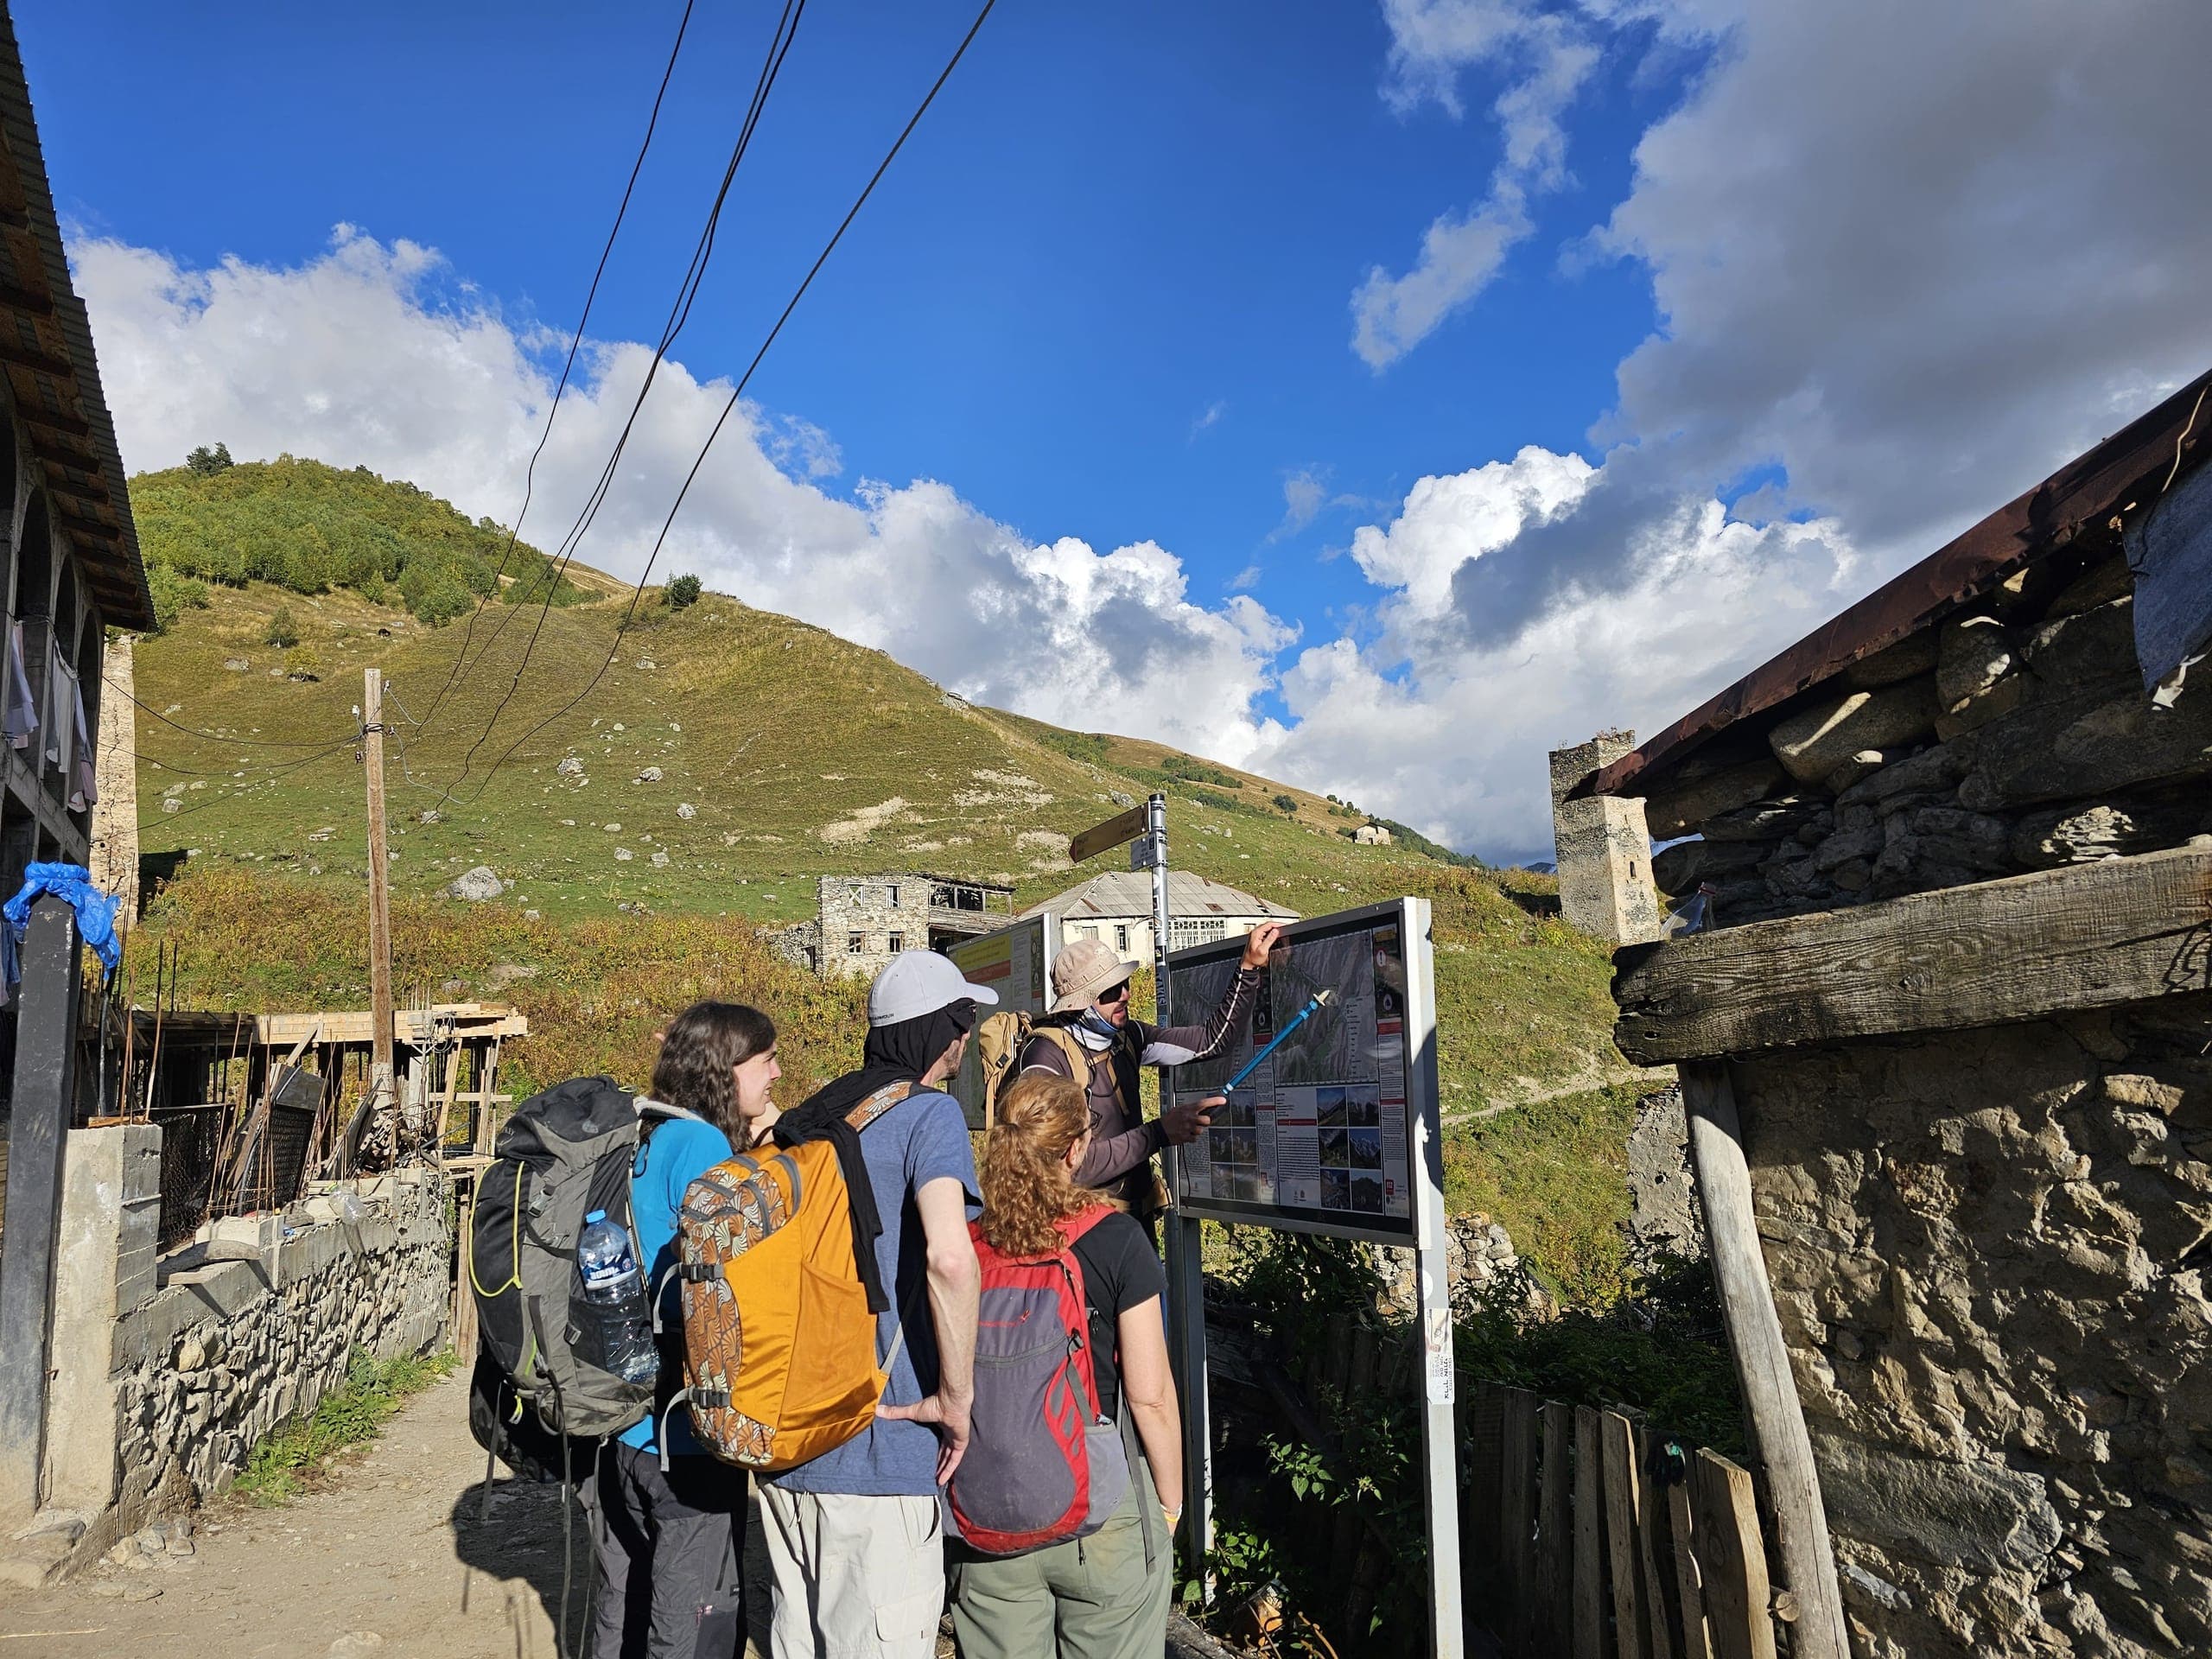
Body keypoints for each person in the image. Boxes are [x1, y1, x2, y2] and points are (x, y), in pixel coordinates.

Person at [760, 950, 994, 1659]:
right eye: (962, 1020)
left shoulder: (810, 1118)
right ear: (939, 1030)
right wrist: (956, 1399)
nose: (966, 1036)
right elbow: (951, 1259)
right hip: (879, 1455)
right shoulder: (931, 1116)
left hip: (789, 1448)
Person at [948, 1071, 1184, 1659]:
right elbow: (1150, 1396)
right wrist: (1171, 1503)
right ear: (1077, 1149)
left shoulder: (968, 1245)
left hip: (987, 1512)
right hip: (1101, 1510)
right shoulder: (1118, 1241)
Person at [593, 1001, 783, 1659]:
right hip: (685, 1436)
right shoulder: (702, 1144)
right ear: (726, 1070)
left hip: (622, 1428)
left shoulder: (644, 1133)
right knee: (693, 1616)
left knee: (624, 1602)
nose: (777, 1073)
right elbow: (724, 1285)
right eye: (766, 1060)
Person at [1017, 921, 1284, 1219]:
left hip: (1133, 1222)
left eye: (1125, 983)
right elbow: (1061, 1164)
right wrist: (1158, 1133)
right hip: (1079, 1234)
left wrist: (1248, 968)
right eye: (1109, 991)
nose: (1125, 995)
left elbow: (1211, 1041)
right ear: (1078, 1004)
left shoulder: (1127, 1037)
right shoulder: (1046, 1056)